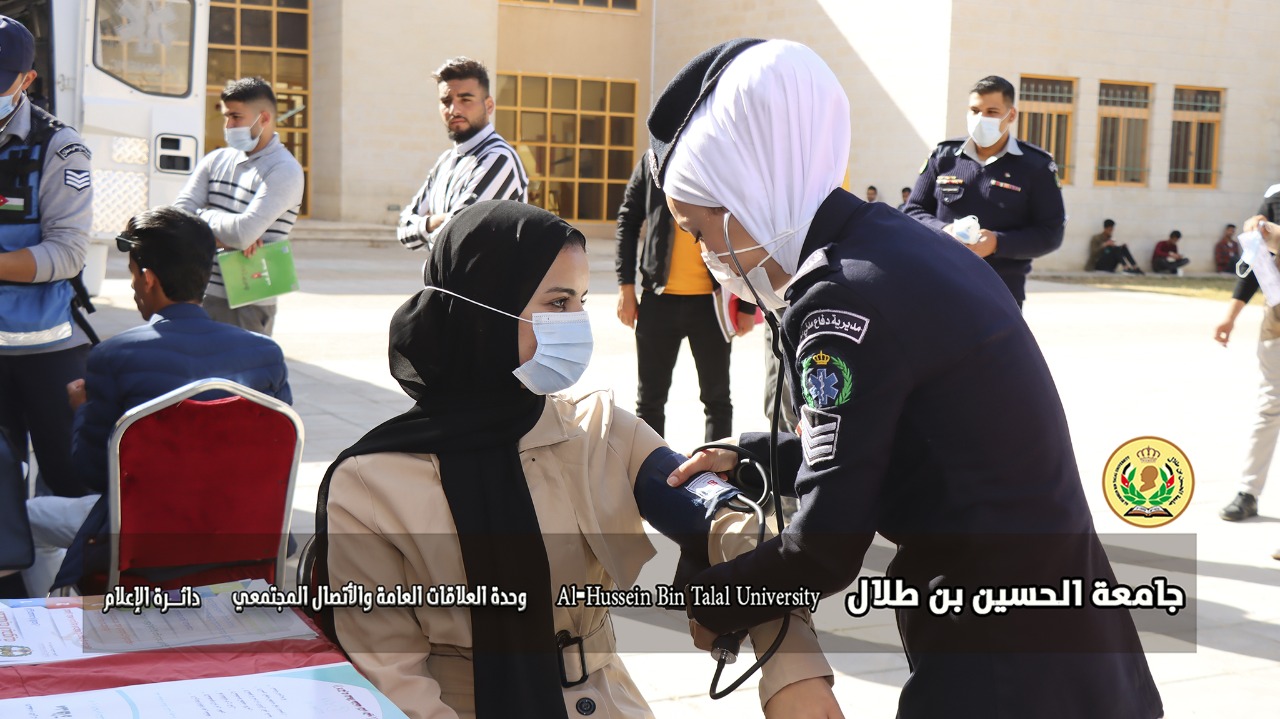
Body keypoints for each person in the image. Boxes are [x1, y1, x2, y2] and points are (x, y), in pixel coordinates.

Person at [650, 38, 1163, 718]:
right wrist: (755, 456)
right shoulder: (893, 242)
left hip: (999, 664)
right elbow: (909, 439)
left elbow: (824, 547)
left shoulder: (838, 299)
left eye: (698, 229)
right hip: (1077, 641)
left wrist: (708, 599)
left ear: (748, 192)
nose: (706, 253)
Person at [317, 201, 836, 719]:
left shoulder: (600, 429)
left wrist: (795, 670)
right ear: (483, 309)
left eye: (582, 301)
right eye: (558, 302)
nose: (578, 324)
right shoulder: (370, 484)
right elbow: (391, 681)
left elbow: (728, 523)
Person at [21, 206, 291, 597]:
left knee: (25, 518)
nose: (134, 286)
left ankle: (53, 623)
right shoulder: (266, 354)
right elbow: (276, 456)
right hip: (244, 533)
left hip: (144, 538)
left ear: (148, 279)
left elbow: (93, 473)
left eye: (133, 274)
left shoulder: (115, 356)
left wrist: (82, 410)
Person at [0, 15, 96, 499]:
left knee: (66, 480)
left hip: (45, 349)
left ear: (27, 79)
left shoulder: (59, 146)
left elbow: (68, 252)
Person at [615, 158, 756, 441]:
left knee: (717, 399)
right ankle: (652, 465)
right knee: (649, 400)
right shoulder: (653, 161)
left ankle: (718, 466)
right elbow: (628, 221)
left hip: (712, 303)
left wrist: (747, 303)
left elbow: (749, 224)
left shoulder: (719, 157)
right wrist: (625, 287)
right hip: (658, 300)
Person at [902, 75, 1066, 308]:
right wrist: (944, 231)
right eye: (975, 110)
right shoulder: (944, 156)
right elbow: (912, 211)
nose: (981, 118)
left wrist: (998, 243)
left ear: (1011, 115)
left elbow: (1051, 233)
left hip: (1000, 293)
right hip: (938, 283)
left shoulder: (1036, 166)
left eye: (991, 112)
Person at [174, 77, 304, 337]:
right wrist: (222, 234)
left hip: (249, 299)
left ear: (263, 118)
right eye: (226, 117)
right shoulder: (215, 160)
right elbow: (178, 217)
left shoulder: (284, 170)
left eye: (236, 117)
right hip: (198, 291)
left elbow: (243, 233)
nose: (228, 126)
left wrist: (201, 218)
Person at [397, 57, 528, 252]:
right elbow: (404, 232)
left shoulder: (499, 158)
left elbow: (458, 235)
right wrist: (437, 221)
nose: (454, 110)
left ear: (489, 105)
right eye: (446, 101)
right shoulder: (445, 162)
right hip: (443, 273)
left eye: (465, 99)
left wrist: (429, 227)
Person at [1214, 193, 1280, 524]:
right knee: (1269, 408)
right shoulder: (1276, 197)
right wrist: (1230, 317)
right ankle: (1248, 492)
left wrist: (1274, 235)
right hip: (1277, 323)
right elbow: (1255, 263)